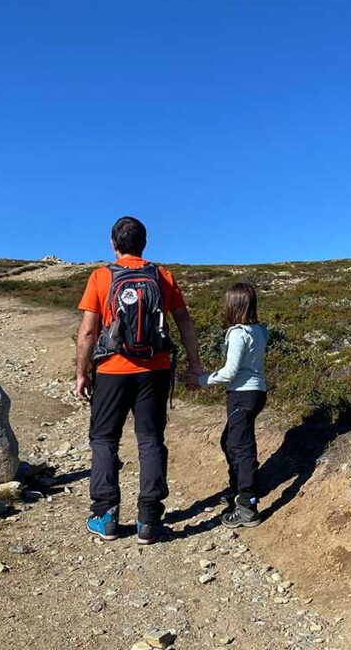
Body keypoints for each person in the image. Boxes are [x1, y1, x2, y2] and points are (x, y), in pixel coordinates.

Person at [75, 216, 202, 544]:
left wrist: (81, 373)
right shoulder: (162, 275)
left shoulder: (101, 277)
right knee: (150, 440)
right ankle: (149, 520)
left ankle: (106, 516)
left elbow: (88, 331)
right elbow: (184, 321)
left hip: (111, 371)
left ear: (113, 244)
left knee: (104, 440)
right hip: (154, 370)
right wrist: (194, 364)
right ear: (144, 243)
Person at [186, 282, 268, 528]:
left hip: (242, 394)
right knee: (230, 442)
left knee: (241, 447)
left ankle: (247, 505)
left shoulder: (238, 334)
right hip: (257, 392)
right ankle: (239, 488)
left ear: (233, 305)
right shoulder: (260, 330)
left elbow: (230, 372)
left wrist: (200, 381)